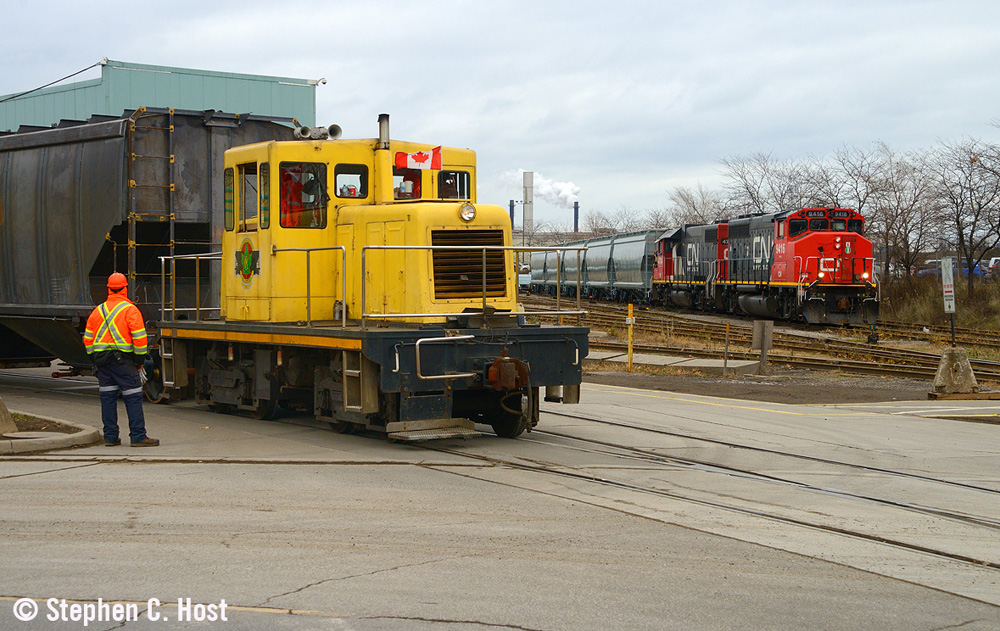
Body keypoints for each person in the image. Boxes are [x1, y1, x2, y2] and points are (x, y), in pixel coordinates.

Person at [83, 272, 159, 447]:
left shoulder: (98, 310)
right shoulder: (130, 310)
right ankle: (138, 436)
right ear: (125, 288)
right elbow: (139, 339)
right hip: (124, 362)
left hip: (102, 362)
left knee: (108, 398)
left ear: (109, 289)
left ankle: (110, 437)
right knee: (132, 397)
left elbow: (88, 339)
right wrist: (140, 361)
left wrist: (93, 360)